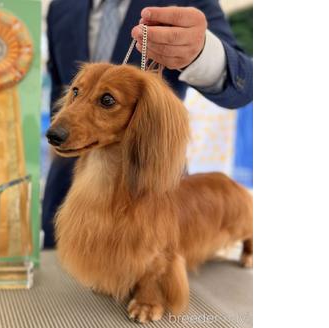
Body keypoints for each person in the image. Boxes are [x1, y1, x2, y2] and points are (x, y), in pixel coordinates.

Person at [43, 0, 253, 248]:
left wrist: (202, 52)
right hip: (66, 195)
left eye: (107, 100)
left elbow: (245, 83)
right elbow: (61, 90)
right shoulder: (61, 7)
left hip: (149, 191)